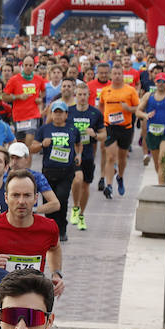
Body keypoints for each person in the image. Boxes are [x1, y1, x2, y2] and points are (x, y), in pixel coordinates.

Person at [0, 171, 65, 299]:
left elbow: (54, 248)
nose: (21, 201)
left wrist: (56, 274)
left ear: (35, 198)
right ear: (6, 198)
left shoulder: (49, 227)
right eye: (16, 195)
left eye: (27, 195)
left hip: (35, 297)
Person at [31, 101, 79, 242]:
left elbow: (78, 144)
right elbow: (32, 148)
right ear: (51, 114)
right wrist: (41, 144)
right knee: (48, 202)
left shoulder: (72, 129)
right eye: (55, 112)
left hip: (66, 171)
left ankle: (61, 228)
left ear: (66, 115)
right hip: (49, 171)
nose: (57, 115)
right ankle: (51, 228)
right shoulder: (44, 129)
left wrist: (78, 155)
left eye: (60, 113)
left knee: (62, 198)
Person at [95, 66, 140, 198]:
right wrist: (102, 119)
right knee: (110, 157)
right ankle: (109, 186)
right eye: (114, 74)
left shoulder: (130, 91)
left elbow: (138, 107)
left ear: (123, 75)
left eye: (119, 74)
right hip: (110, 127)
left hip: (125, 127)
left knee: (122, 158)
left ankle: (120, 177)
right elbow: (101, 105)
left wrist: (128, 108)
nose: (117, 76)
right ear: (111, 75)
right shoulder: (105, 91)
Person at [65, 84, 104, 231]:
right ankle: (75, 208)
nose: (82, 97)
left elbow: (103, 136)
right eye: (79, 94)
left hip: (88, 154)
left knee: (86, 185)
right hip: (73, 154)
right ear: (75, 95)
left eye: (84, 95)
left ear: (89, 96)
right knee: (77, 179)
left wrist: (94, 134)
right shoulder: (69, 112)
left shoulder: (95, 113)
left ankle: (81, 214)